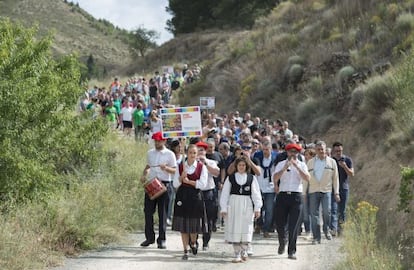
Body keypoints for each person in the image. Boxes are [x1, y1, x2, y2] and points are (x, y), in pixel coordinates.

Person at [220, 157, 262, 263]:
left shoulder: (251, 178)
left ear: (246, 166)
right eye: (239, 165)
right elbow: (225, 194)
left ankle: (244, 251)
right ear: (236, 166)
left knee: (246, 227)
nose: (241, 167)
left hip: (246, 205)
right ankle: (237, 253)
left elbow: (256, 194)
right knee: (235, 228)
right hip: (234, 205)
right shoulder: (231, 178)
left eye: (243, 165)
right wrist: (224, 208)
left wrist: (257, 208)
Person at [139, 132, 177, 249]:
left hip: (165, 184)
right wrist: (144, 174)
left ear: (164, 141)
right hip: (152, 184)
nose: (157, 143)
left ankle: (162, 239)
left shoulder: (170, 154)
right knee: (148, 211)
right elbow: (148, 166)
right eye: (155, 141)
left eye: (159, 141)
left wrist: (166, 168)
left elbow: (174, 170)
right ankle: (149, 237)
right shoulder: (150, 153)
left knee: (163, 214)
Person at [272, 143, 310, 260]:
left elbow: (307, 178)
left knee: (294, 225)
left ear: (298, 153)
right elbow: (275, 178)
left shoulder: (302, 165)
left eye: (295, 152)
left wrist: (297, 167)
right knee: (280, 223)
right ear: (287, 152)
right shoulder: (280, 164)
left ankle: (291, 251)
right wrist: (284, 168)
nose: (293, 154)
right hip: (283, 195)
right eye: (290, 152)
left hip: (296, 196)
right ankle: (282, 241)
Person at [172, 144, 209, 260]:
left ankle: (193, 242)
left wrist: (189, 181)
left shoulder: (201, 167)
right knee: (183, 226)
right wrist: (180, 178)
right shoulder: (180, 166)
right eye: (190, 153)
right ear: (186, 153)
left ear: (197, 154)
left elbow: (203, 185)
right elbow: (175, 184)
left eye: (194, 153)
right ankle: (185, 250)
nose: (192, 155)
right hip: (182, 196)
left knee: (193, 226)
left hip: (195, 197)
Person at [305, 141, 340, 245]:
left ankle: (326, 228)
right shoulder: (310, 162)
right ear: (315, 150)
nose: (321, 151)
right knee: (314, 214)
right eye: (318, 149)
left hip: (326, 190)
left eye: (322, 149)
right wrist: (303, 192)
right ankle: (316, 237)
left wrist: (336, 192)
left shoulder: (332, 162)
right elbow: (306, 178)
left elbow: (335, 178)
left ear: (325, 150)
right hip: (313, 191)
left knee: (327, 211)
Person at [195, 141, 220, 251]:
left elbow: (216, 173)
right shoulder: (192, 162)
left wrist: (205, 164)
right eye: (198, 149)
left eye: (202, 150)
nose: (200, 152)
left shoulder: (211, 162)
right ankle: (193, 240)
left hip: (208, 192)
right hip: (196, 192)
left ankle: (206, 241)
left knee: (209, 218)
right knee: (195, 217)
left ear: (205, 151)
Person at [254, 141, 277, 238]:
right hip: (259, 186)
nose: (265, 152)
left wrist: (276, 185)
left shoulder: (275, 159)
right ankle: (259, 224)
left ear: (271, 149)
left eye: (267, 150)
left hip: (270, 187)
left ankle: (266, 229)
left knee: (269, 210)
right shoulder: (258, 157)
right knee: (258, 207)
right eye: (263, 149)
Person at [330, 141, 354, 236]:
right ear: (333, 151)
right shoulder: (330, 161)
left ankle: (341, 230)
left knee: (342, 210)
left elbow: (352, 174)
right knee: (333, 209)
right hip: (332, 188)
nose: (338, 153)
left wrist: (344, 166)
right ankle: (333, 229)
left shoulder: (347, 160)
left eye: (340, 151)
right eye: (336, 151)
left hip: (344, 188)